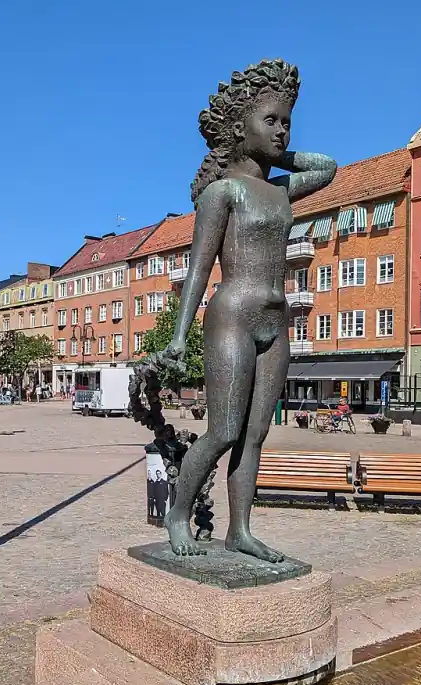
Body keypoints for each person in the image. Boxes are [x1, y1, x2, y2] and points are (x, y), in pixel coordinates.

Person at [161, 59, 336, 562]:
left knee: (256, 433)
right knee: (223, 430)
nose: (283, 130)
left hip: (275, 319)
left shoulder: (280, 190)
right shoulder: (223, 193)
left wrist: (270, 155)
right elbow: (198, 269)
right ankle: (178, 513)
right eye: (271, 121)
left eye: (287, 121)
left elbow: (327, 168)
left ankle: (240, 530)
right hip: (233, 313)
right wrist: (179, 335)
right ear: (241, 128)